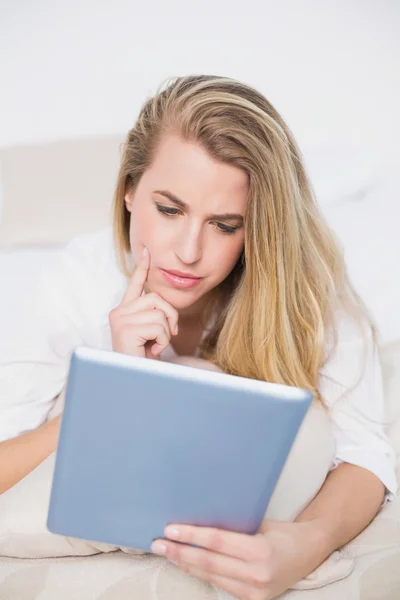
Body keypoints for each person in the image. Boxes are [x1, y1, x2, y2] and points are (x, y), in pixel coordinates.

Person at [0, 75, 397, 599]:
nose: (189, 251)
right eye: (169, 210)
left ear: (258, 226)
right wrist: (119, 387)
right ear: (128, 190)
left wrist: (306, 542)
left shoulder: (304, 291)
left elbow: (367, 453)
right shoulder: (72, 286)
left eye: (225, 224)